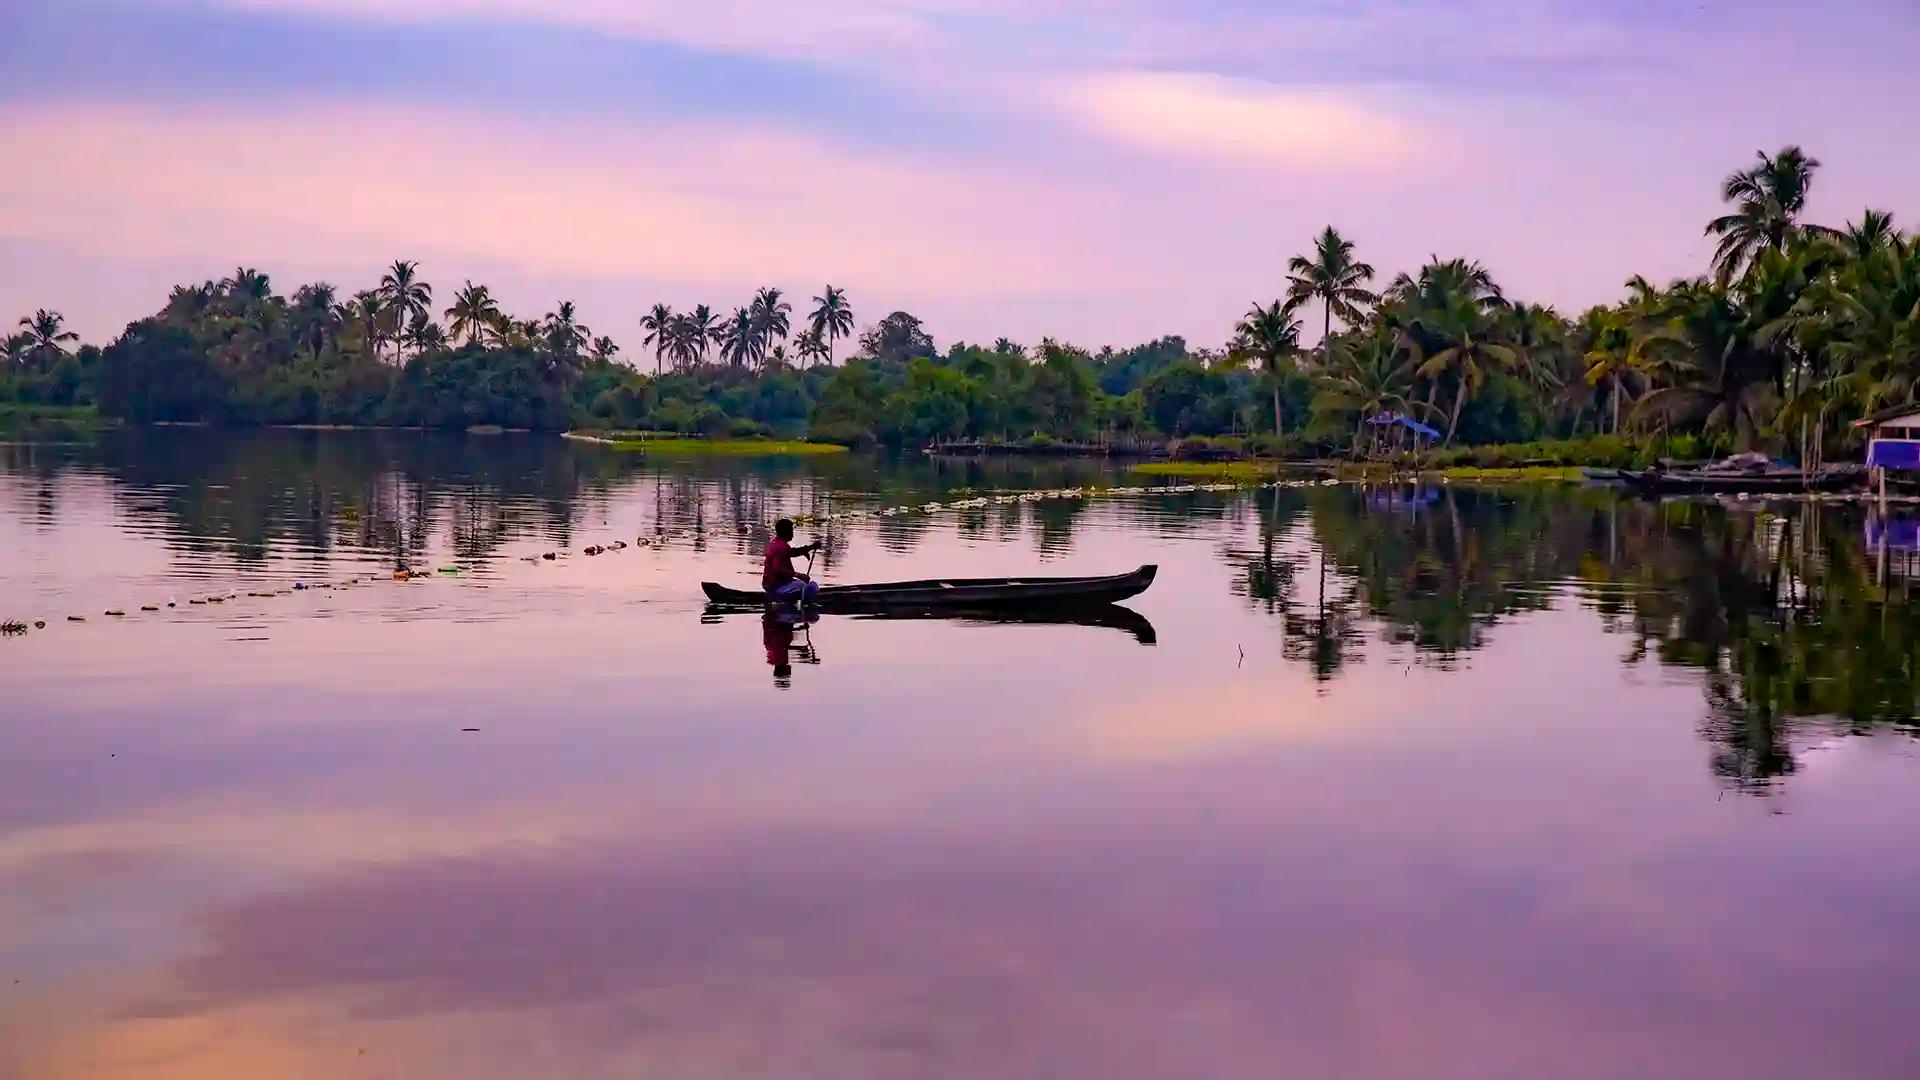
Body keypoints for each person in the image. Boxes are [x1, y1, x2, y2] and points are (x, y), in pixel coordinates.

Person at [763, 518, 820, 606]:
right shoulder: (781, 547)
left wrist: (810, 548)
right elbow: (779, 570)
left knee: (805, 585)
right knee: (811, 587)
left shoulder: (777, 543)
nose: (793, 533)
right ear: (786, 531)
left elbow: (791, 552)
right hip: (776, 587)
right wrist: (800, 576)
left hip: (773, 584)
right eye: (791, 530)